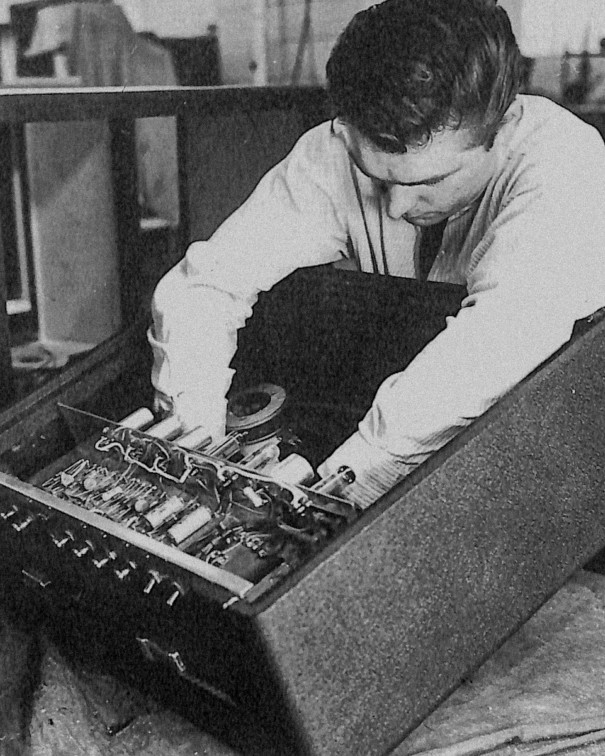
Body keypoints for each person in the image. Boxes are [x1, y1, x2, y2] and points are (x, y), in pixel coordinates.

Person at [149, 0, 605, 508]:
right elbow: (206, 285)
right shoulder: (335, 148)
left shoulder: (567, 167)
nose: (396, 209)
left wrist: (338, 486)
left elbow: (493, 346)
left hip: (545, 465)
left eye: (430, 180)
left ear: (506, 123)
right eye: (377, 178)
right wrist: (197, 450)